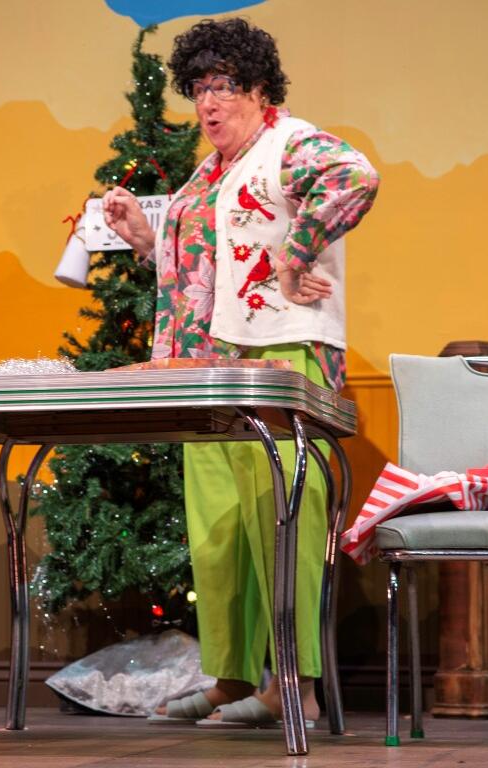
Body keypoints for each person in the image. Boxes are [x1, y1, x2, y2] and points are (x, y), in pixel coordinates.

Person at [102, 18, 379, 727]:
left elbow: (355, 177)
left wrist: (296, 253)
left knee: (283, 520)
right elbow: (209, 258)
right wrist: (147, 238)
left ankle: (297, 685)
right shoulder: (214, 167)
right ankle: (232, 678)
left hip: (278, 355)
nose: (208, 102)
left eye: (223, 85)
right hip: (207, 364)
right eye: (198, 88)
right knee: (219, 531)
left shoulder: (290, 143)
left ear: (259, 89)